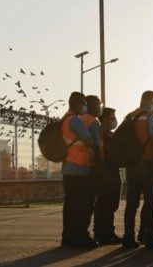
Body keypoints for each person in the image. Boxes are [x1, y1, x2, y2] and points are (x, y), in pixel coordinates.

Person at [122, 90, 153, 249]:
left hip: (132, 165)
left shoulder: (130, 116)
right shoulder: (149, 118)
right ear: (146, 101)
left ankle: (128, 237)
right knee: (151, 202)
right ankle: (150, 237)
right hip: (147, 163)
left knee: (131, 203)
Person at [61, 92, 99, 248]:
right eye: (83, 103)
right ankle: (81, 236)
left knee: (70, 207)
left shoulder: (64, 120)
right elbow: (89, 140)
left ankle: (68, 237)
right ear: (77, 104)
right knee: (82, 206)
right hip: (79, 169)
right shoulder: (75, 121)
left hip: (68, 170)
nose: (85, 106)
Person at [93, 107, 123, 244]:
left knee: (112, 205)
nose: (114, 120)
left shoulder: (112, 135)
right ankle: (101, 234)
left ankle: (109, 232)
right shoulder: (101, 134)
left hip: (114, 171)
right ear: (103, 119)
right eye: (111, 117)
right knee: (104, 204)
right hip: (106, 172)